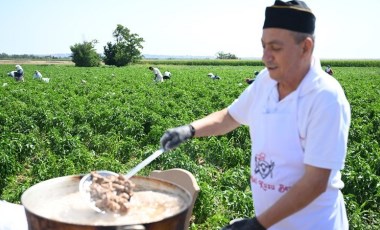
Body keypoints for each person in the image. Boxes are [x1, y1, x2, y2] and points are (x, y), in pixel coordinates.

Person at [160, 1, 351, 229]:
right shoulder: (266, 81)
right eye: (263, 46)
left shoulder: (325, 97)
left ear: (305, 47)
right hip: (271, 223)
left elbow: (316, 181)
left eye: (275, 48)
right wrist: (190, 130)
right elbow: (230, 117)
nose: (265, 57)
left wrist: (257, 224)